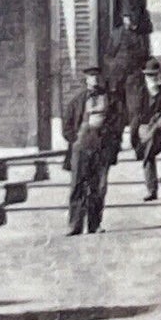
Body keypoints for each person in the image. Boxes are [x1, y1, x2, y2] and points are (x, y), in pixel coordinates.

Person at [62, 65, 123, 236]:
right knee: (77, 186)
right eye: (91, 77)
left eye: (97, 77)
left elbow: (118, 123)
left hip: (101, 147)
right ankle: (74, 225)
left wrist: (111, 143)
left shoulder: (111, 100)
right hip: (81, 148)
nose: (95, 80)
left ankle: (95, 224)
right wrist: (75, 141)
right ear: (86, 80)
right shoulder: (77, 101)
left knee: (98, 187)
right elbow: (67, 126)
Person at [130, 57, 161, 203]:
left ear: (159, 73)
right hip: (145, 126)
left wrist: (158, 92)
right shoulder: (139, 89)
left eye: (155, 74)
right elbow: (137, 113)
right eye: (149, 75)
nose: (152, 77)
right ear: (145, 75)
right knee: (148, 154)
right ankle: (151, 190)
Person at [101, 9, 149, 126]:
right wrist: (114, 67)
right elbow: (108, 56)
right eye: (127, 18)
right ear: (124, 19)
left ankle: (134, 139)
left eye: (133, 19)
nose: (130, 22)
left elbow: (145, 56)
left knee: (135, 108)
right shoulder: (116, 35)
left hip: (133, 77)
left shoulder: (140, 36)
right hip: (117, 78)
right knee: (116, 109)